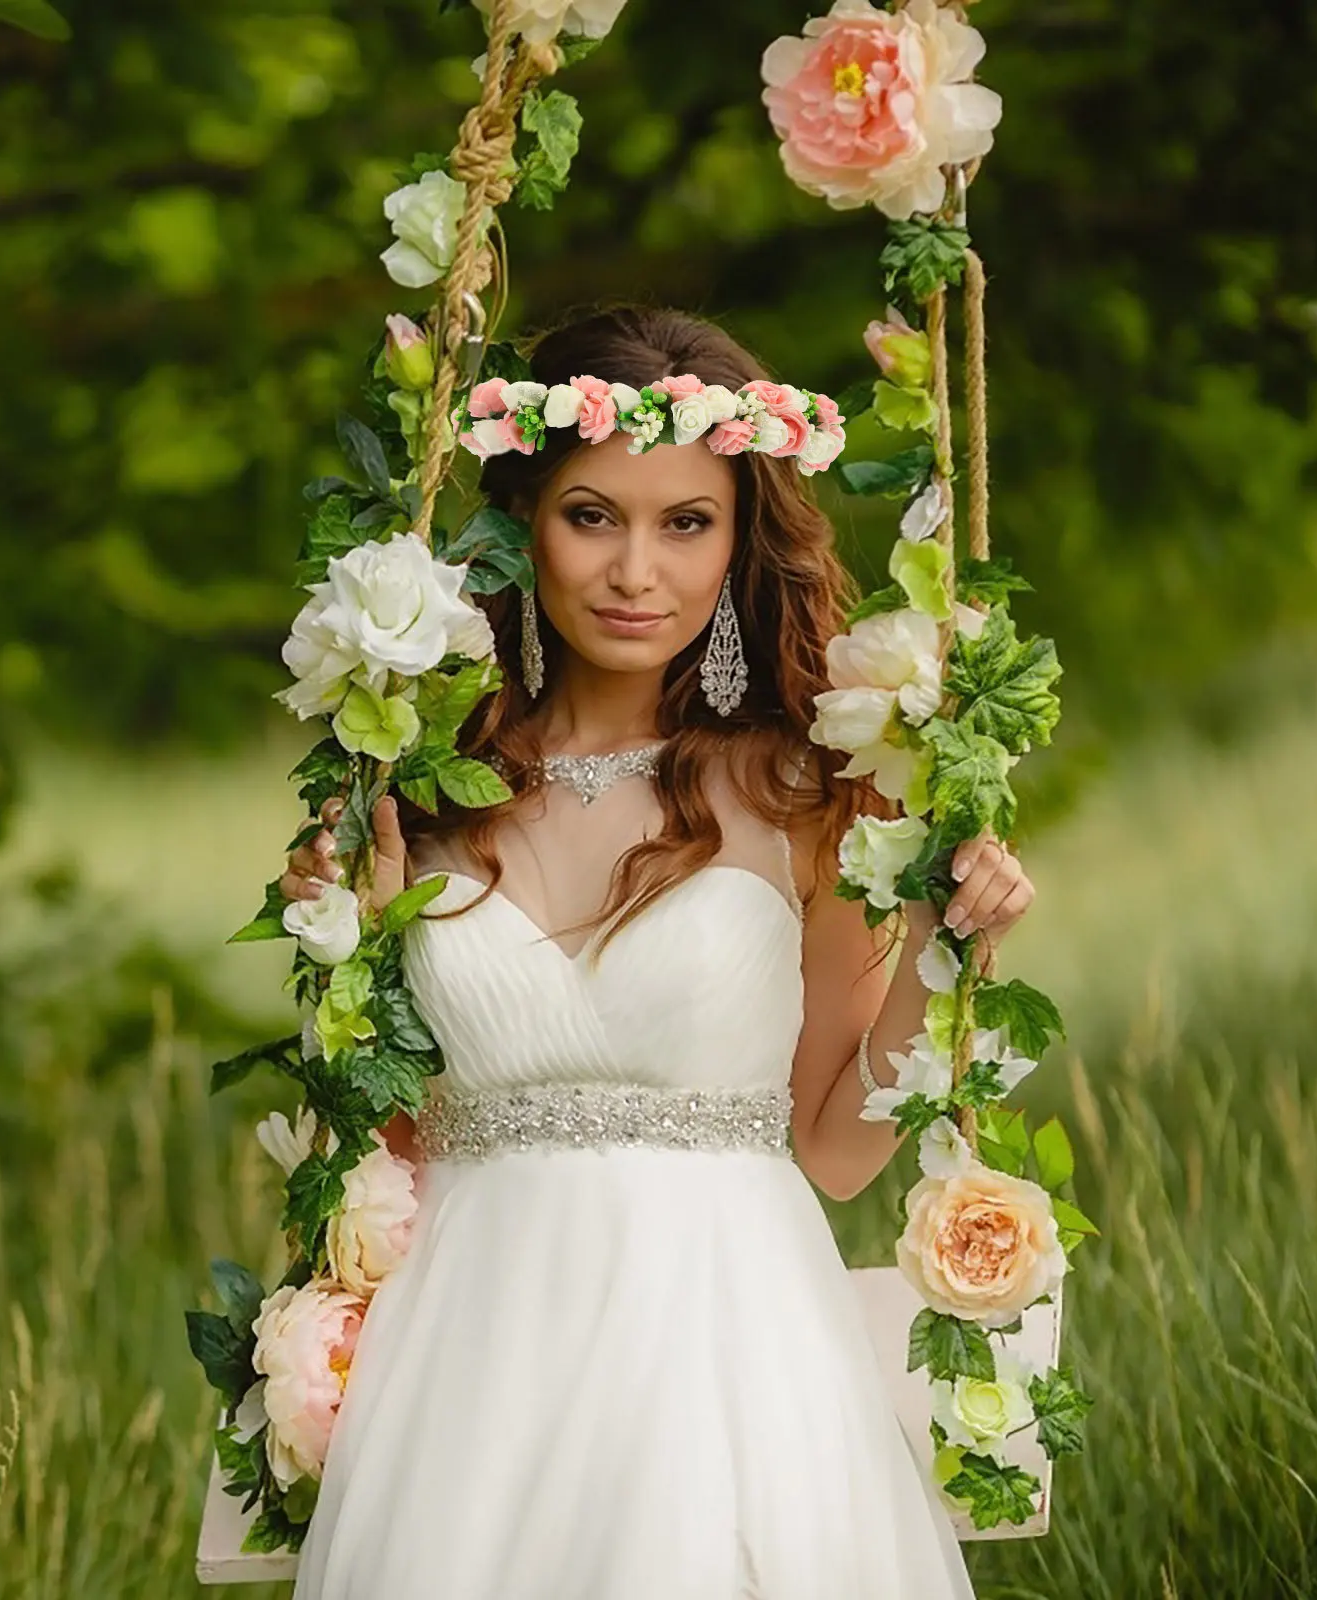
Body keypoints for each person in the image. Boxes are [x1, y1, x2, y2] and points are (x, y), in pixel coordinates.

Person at [278, 305, 1035, 1599]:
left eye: (687, 522)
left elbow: (834, 1148)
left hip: (726, 1356)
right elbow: (381, 1148)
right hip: (472, 1373)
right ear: (524, 521)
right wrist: (352, 949)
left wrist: (944, 951)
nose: (637, 571)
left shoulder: (810, 789)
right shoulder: (415, 790)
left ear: (740, 540)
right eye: (593, 516)